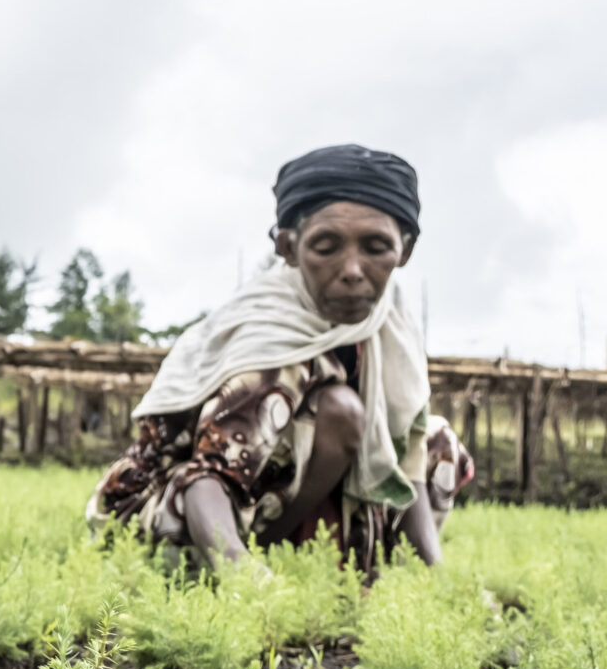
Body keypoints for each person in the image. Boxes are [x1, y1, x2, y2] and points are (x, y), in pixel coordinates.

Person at [93, 144, 449, 573]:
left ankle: (345, 565)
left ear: (404, 252)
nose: (353, 269)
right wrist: (244, 579)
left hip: (282, 503)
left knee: (437, 440)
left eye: (376, 247)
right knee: (340, 411)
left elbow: (406, 468)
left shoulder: (392, 325)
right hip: (174, 510)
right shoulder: (267, 339)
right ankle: (255, 562)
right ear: (289, 248)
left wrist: (439, 580)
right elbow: (206, 479)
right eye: (326, 246)